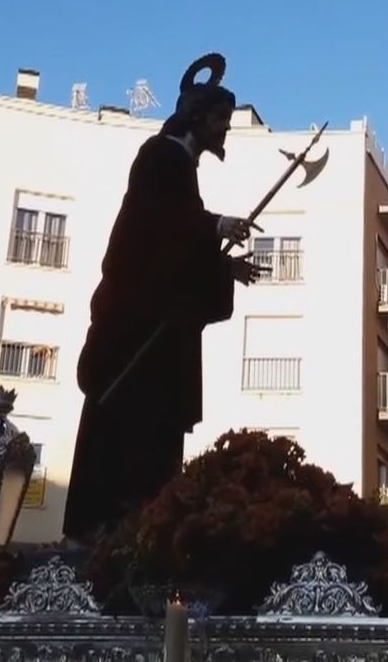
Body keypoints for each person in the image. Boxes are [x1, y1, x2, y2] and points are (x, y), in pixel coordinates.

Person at [62, 53, 267, 544]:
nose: (225, 131)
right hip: (135, 338)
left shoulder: (180, 169)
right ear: (197, 116)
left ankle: (137, 530)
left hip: (155, 342)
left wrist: (222, 266)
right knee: (127, 443)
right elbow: (157, 225)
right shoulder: (160, 157)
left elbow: (174, 254)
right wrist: (216, 226)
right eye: (220, 120)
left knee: (151, 445)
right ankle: (114, 530)